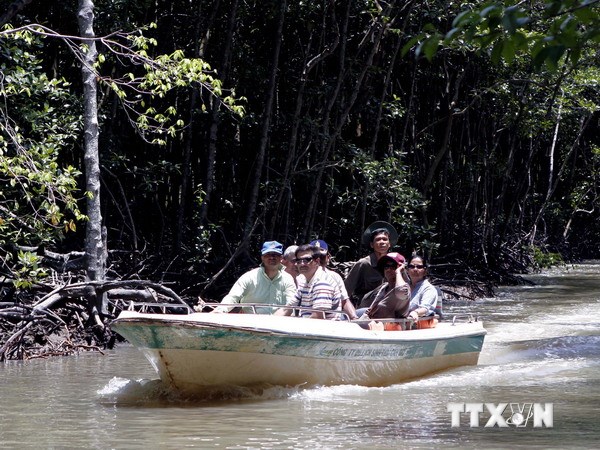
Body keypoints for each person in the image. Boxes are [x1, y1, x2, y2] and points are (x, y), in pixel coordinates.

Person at [212, 240, 296, 314]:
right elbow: (233, 296)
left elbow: (291, 303)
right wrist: (220, 310)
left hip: (279, 324)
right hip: (251, 324)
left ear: (281, 258)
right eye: (268, 254)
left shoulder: (288, 279)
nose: (272, 257)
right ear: (262, 257)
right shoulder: (249, 277)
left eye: (275, 255)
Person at [275, 244, 342, 319]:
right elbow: (287, 309)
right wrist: (270, 320)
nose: (302, 264)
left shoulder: (322, 283)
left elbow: (317, 317)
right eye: (298, 261)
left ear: (317, 261)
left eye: (307, 260)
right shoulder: (304, 282)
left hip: (323, 328)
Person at [344, 221, 398, 308]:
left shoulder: (395, 264)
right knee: (385, 287)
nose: (382, 242)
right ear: (372, 245)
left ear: (389, 244)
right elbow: (345, 291)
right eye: (378, 239)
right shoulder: (364, 263)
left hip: (388, 305)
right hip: (366, 306)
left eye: (385, 239)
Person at [310, 239, 359, 320]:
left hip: (333, 320)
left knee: (364, 312)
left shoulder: (335, 276)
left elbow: (344, 301)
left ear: (328, 258)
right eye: (314, 257)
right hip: (308, 318)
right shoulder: (301, 277)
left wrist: (354, 319)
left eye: (321, 257)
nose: (318, 260)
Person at [355, 252, 410, 322]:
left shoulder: (405, 288)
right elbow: (369, 309)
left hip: (392, 328)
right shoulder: (384, 287)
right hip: (374, 325)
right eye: (386, 266)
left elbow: (401, 291)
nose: (389, 270)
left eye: (393, 266)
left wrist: (398, 272)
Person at [406, 254, 441, 327]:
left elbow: (425, 308)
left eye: (419, 267)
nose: (415, 269)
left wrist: (415, 312)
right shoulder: (403, 287)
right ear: (407, 270)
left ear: (425, 271)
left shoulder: (429, 289)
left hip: (420, 325)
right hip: (402, 324)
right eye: (412, 266)